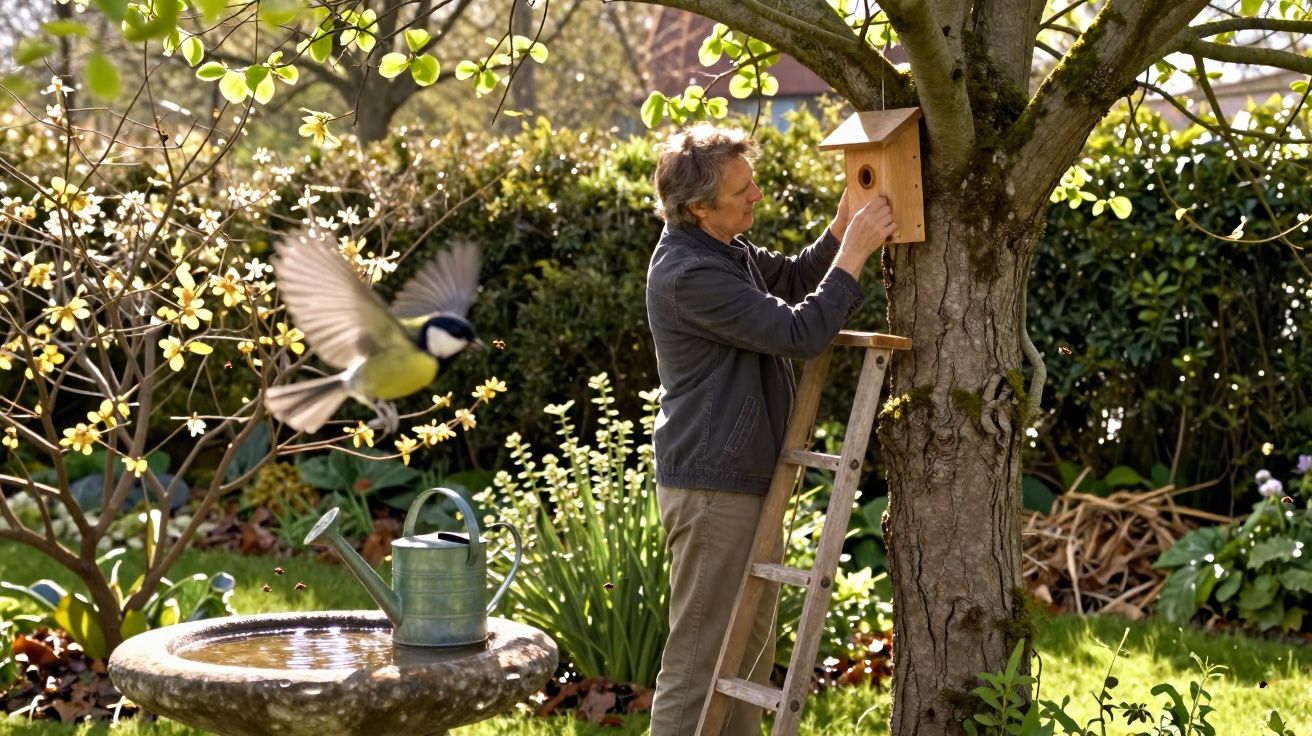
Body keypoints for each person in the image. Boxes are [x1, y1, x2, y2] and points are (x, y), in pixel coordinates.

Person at [645, 123, 897, 736]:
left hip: (746, 482)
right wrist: (857, 254)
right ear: (699, 207)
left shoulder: (723, 252)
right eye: (743, 189)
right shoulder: (688, 274)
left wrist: (841, 230)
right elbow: (797, 333)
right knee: (700, 666)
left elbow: (791, 282)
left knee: (748, 663)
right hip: (713, 488)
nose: (757, 195)